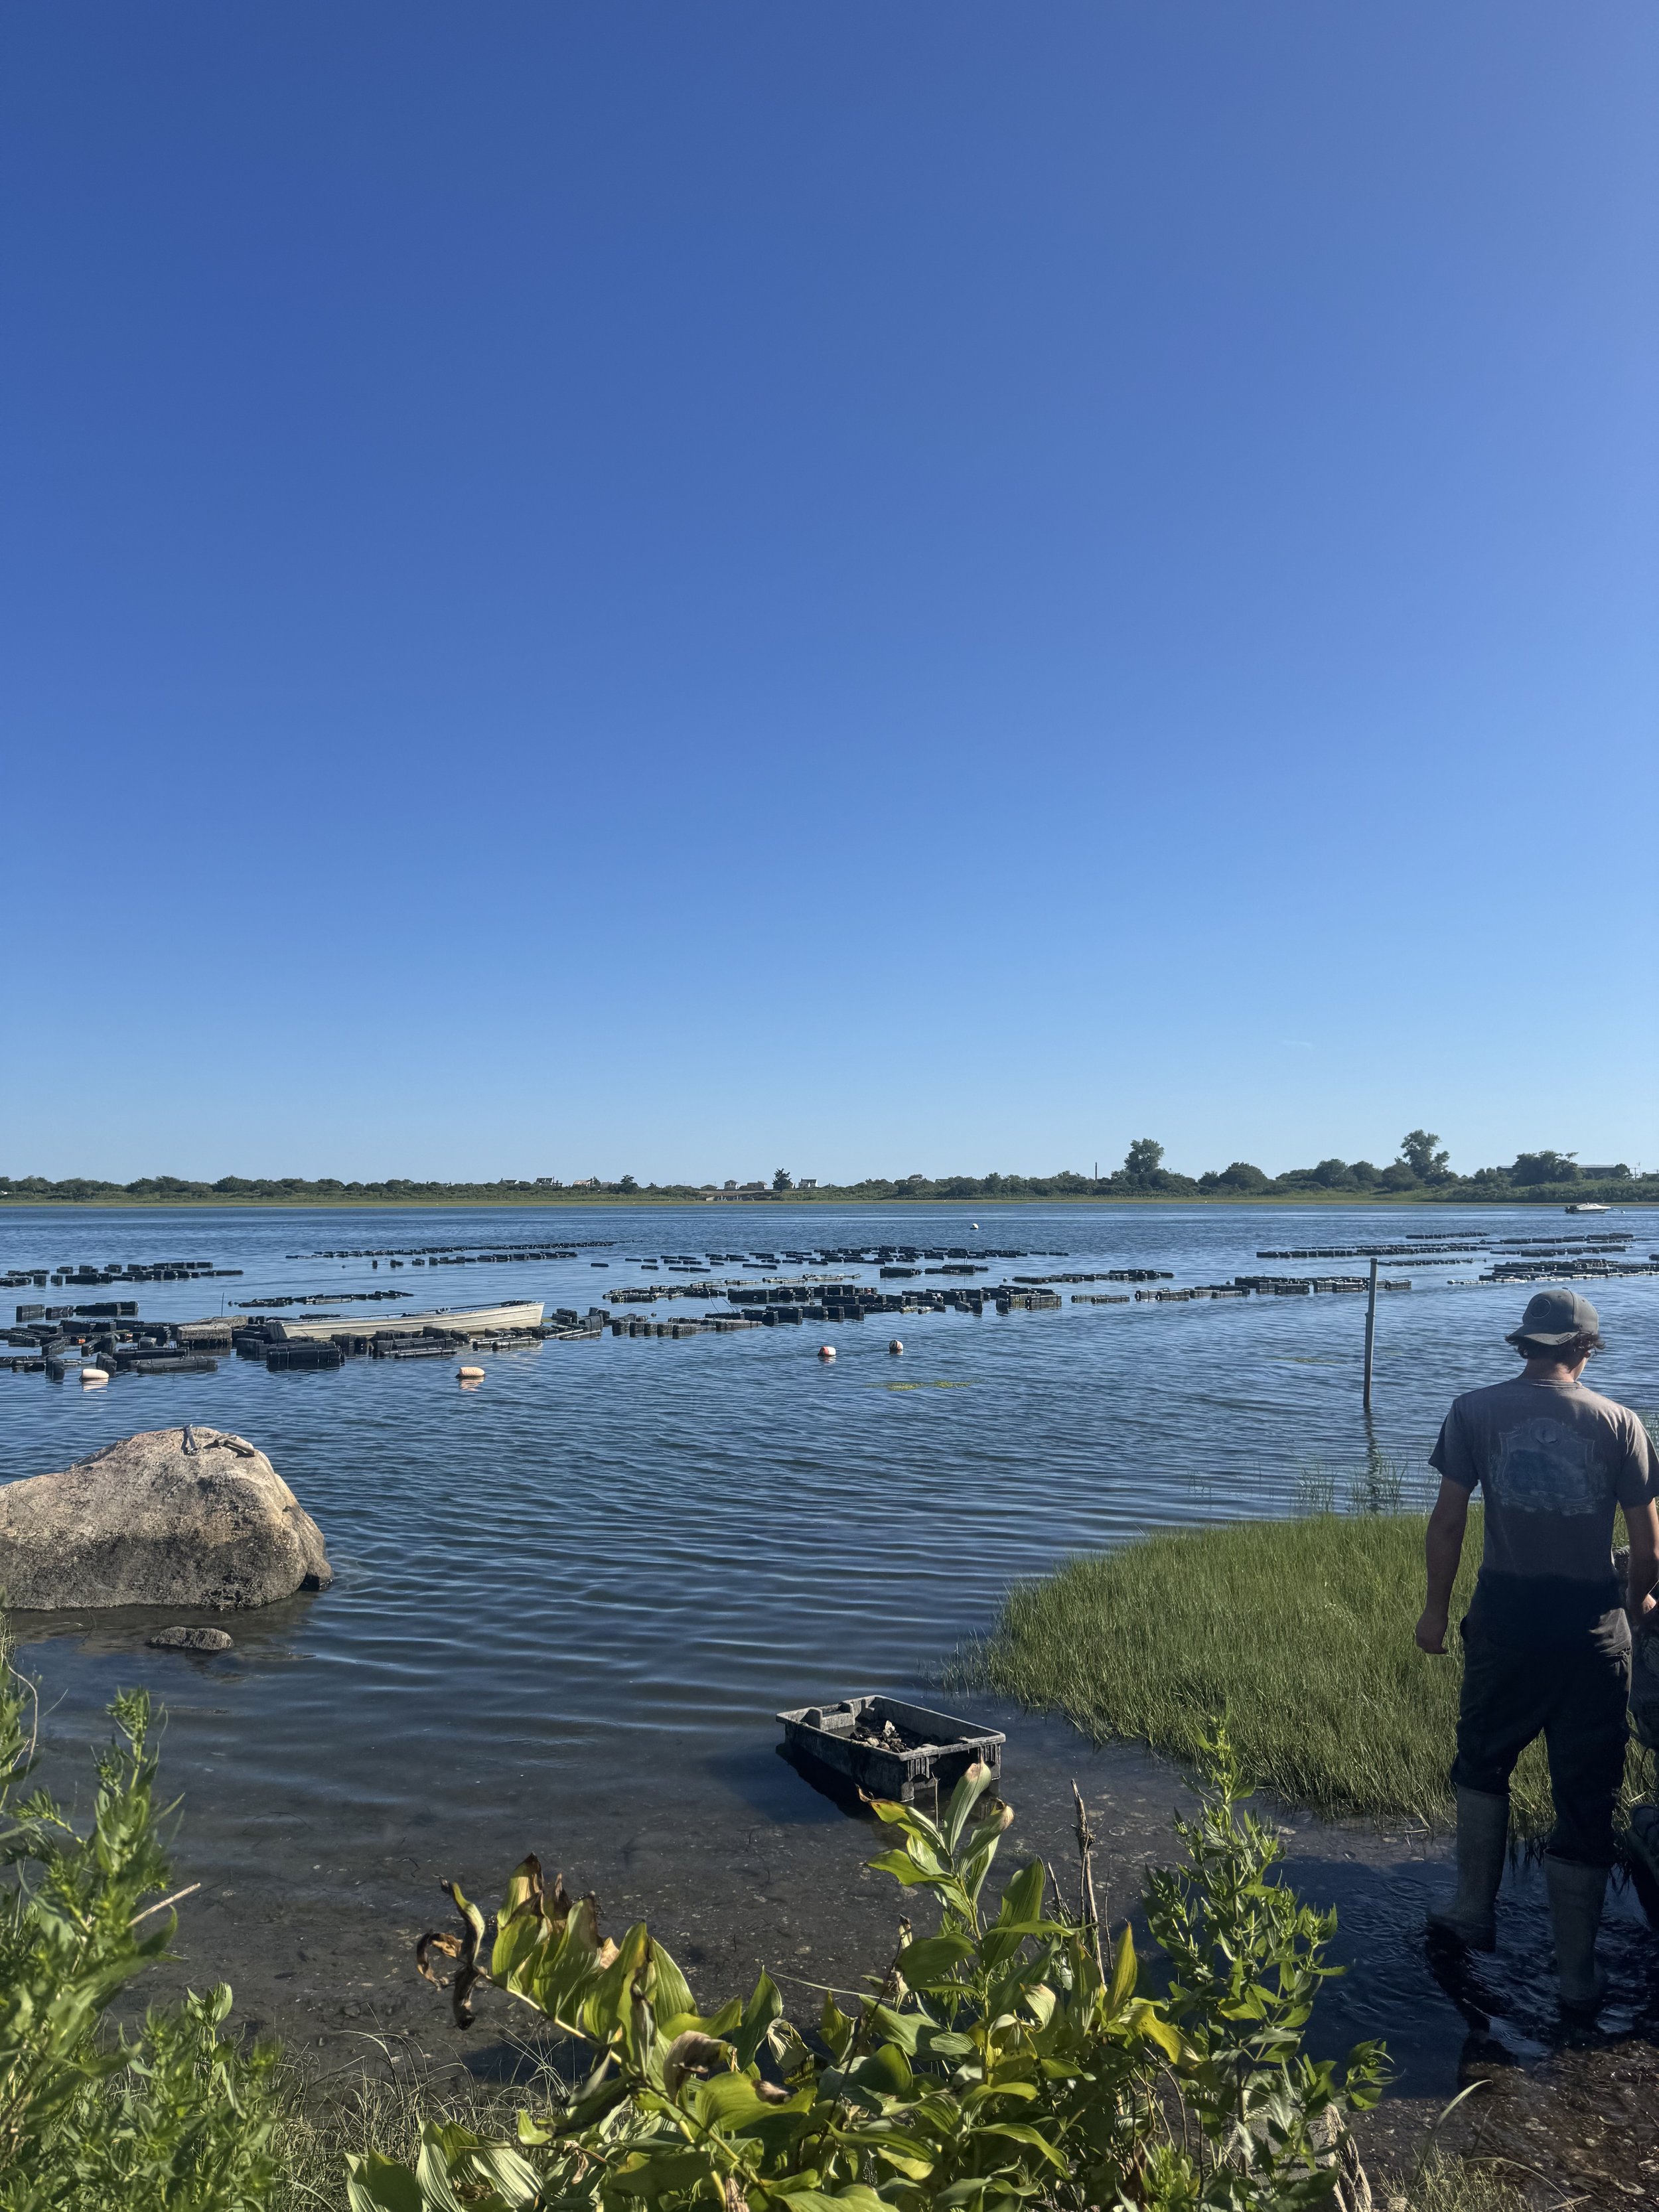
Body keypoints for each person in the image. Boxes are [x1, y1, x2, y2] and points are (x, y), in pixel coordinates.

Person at [1416, 1288, 1658, 2012]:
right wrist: (1637, 1606)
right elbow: (1647, 1543)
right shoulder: (1621, 1422)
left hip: (1505, 1619)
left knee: (1482, 1759)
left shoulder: (1472, 1410)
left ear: (1525, 1345)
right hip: (1591, 1630)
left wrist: (1434, 1612)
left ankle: (1470, 1908)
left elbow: (1448, 1524)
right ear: (1584, 1349)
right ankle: (1577, 1974)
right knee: (1586, 1794)